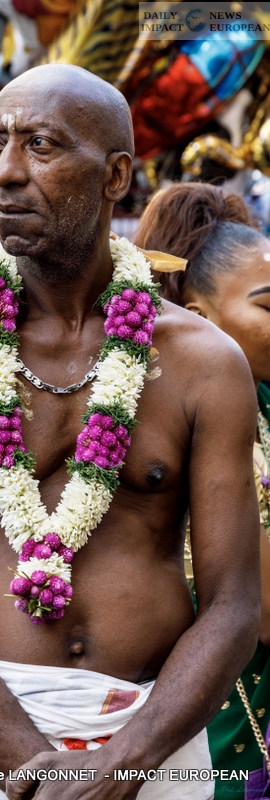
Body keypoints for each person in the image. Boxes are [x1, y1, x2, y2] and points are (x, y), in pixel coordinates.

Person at [0, 63, 260, 800]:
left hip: (148, 747)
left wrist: (120, 766)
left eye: (42, 145)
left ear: (116, 174)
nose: (4, 172)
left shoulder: (204, 365)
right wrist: (39, 776)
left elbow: (233, 609)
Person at [134, 181, 270, 799]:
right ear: (198, 318)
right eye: (268, 306)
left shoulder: (264, 400)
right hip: (212, 731)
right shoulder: (157, 418)